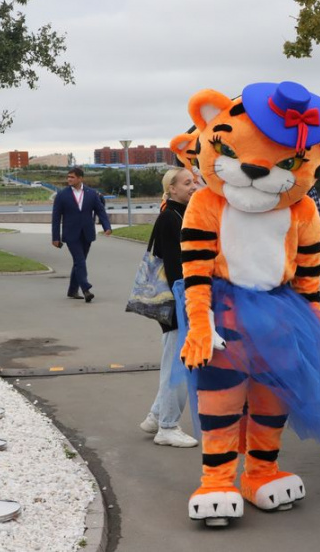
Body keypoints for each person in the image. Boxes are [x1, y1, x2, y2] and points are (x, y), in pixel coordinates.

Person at [139, 168, 199, 448]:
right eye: (187, 183)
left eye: (194, 181)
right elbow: (178, 269)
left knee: (173, 362)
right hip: (178, 304)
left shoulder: (178, 215)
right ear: (171, 189)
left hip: (176, 303)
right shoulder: (171, 218)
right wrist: (191, 303)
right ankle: (168, 425)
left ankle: (155, 416)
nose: (193, 186)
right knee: (179, 366)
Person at [51, 166, 111, 302]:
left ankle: (72, 290)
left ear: (80, 178)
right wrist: (55, 237)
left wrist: (107, 226)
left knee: (79, 262)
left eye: (72, 177)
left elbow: (100, 211)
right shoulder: (62, 195)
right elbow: (56, 218)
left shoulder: (92, 193)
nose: (69, 179)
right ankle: (86, 289)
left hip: (87, 233)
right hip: (70, 234)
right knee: (80, 260)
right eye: (68, 177)